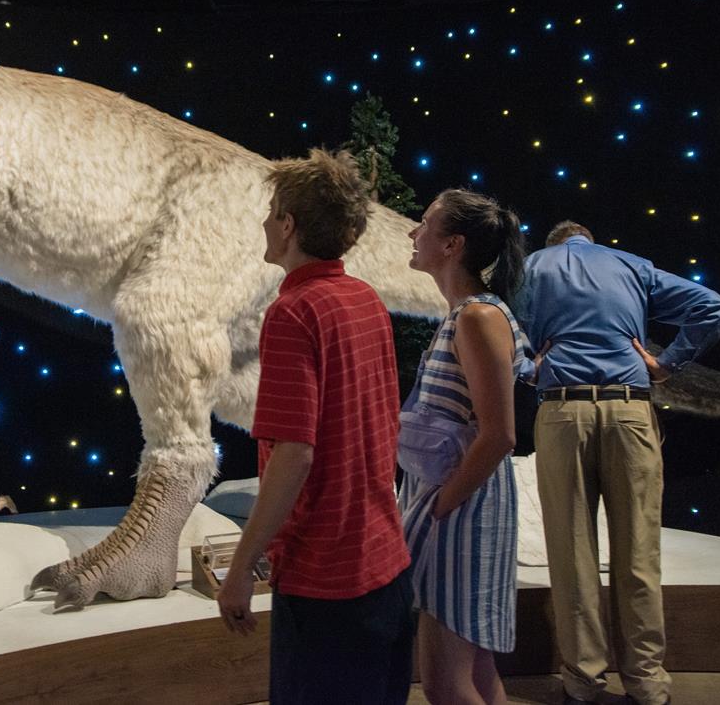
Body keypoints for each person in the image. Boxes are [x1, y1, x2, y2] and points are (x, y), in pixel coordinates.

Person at [216, 148, 413, 705]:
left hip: (326, 585)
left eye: (272, 209)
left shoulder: (293, 312)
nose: (263, 221)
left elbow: (294, 454)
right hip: (386, 568)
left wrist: (237, 573)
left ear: (288, 225)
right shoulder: (364, 298)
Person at [518, 221, 720, 705]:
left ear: (555, 243)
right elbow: (712, 306)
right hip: (631, 409)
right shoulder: (631, 265)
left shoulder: (531, 268)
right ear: (589, 240)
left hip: (562, 410)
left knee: (572, 554)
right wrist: (669, 362)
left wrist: (528, 367)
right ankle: (648, 683)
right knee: (638, 551)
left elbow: (485, 316)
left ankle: (583, 682)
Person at [400, 188, 529, 705]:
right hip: (457, 501)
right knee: (473, 672)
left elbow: (500, 433)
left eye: (425, 223)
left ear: (452, 244)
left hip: (462, 507)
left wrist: (442, 507)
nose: (414, 232)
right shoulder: (463, 315)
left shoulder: (477, 317)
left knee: (445, 684)